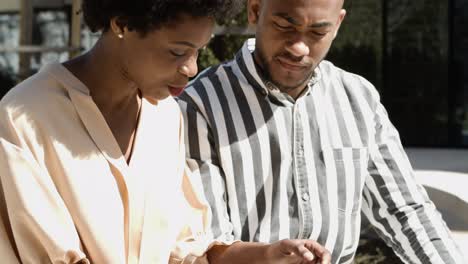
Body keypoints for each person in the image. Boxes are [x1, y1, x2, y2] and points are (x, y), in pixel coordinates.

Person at [0, 0, 331, 263]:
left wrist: (264, 255)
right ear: (121, 23)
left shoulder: (165, 116)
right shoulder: (24, 117)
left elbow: (185, 250)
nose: (191, 69)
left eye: (198, 51)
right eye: (177, 52)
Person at [177, 0, 466, 263]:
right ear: (254, 10)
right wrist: (266, 257)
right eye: (284, 25)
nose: (299, 47)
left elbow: (406, 212)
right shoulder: (200, 105)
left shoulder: (358, 99)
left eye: (317, 33)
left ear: (338, 24)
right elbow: (208, 246)